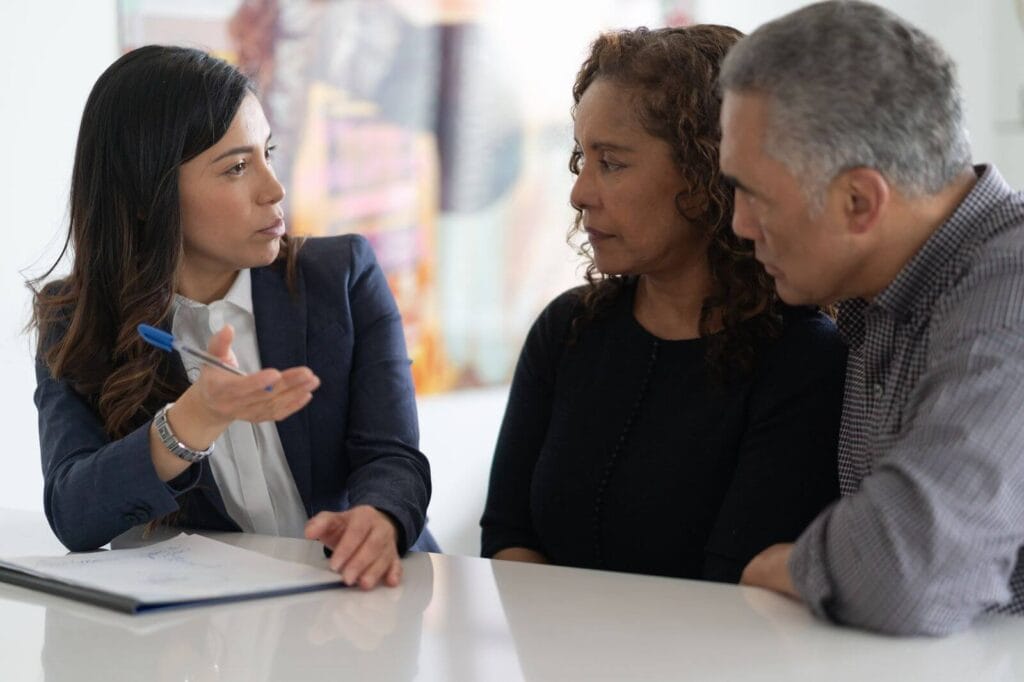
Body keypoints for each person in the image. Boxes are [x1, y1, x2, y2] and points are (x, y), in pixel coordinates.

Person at [31, 45, 436, 590]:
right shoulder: (75, 319)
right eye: (238, 167)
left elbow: (393, 458)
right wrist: (188, 424)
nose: (274, 188)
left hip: (360, 596)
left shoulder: (342, 275)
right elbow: (73, 516)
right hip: (210, 632)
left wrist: (380, 518)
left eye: (267, 153)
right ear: (148, 195)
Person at [479, 26, 846, 583]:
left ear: (707, 175)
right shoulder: (567, 328)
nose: (579, 192)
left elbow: (734, 583)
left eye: (613, 163)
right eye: (582, 157)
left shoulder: (803, 359)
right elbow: (507, 535)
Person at [718, 0, 1024, 635]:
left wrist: (787, 564)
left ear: (859, 201)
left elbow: (908, 573)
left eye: (754, 194)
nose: (739, 225)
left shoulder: (1011, 291)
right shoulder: (880, 291)